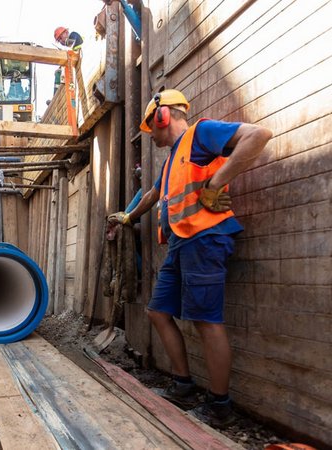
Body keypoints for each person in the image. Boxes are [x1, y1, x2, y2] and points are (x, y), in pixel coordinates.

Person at [108, 89, 272, 426]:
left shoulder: (202, 133)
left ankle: (219, 406)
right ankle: (183, 386)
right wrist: (129, 217)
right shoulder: (172, 160)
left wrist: (216, 183)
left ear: (162, 116)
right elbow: (154, 194)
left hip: (205, 238)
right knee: (157, 312)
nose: (150, 134)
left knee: (206, 320)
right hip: (182, 243)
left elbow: (259, 135)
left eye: (150, 125)